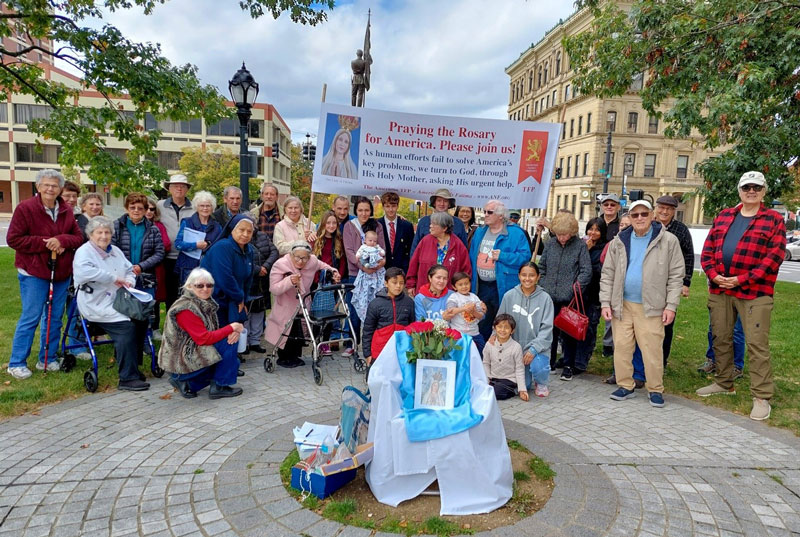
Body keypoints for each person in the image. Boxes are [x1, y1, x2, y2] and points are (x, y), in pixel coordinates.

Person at [696, 171, 786, 421]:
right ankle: (724, 383)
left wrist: (741, 279)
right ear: (739, 190)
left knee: (757, 344)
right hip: (720, 289)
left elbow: (774, 258)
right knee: (721, 338)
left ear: (764, 191)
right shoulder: (725, 216)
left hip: (754, 292)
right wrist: (714, 274)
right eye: (747, 187)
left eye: (757, 187)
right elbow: (708, 250)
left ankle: (761, 396)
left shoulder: (773, 219)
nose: (751, 191)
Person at [600, 200, 684, 408]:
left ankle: (655, 389)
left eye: (644, 214)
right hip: (623, 304)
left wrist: (671, 305)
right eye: (635, 215)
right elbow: (608, 273)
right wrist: (605, 302)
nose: (639, 218)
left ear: (652, 215)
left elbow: (676, 276)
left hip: (651, 306)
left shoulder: (668, 241)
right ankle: (625, 385)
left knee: (652, 349)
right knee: (622, 347)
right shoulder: (620, 240)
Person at [7, 169, 84, 379]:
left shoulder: (66, 209)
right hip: (33, 271)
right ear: (38, 187)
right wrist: (46, 243)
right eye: (46, 185)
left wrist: (61, 240)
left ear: (60, 188)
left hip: (60, 272)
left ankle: (47, 358)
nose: (50, 189)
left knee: (54, 317)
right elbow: (13, 239)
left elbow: (77, 237)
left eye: (55, 185)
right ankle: (16, 362)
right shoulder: (26, 208)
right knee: (30, 317)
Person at [73, 216, 150, 391]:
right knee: (126, 326)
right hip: (95, 303)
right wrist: (114, 278)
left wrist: (129, 280)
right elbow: (85, 273)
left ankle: (133, 367)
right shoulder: (84, 252)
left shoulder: (115, 250)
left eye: (107, 232)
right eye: (99, 232)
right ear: (91, 234)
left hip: (118, 299)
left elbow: (129, 269)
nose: (103, 236)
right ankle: (127, 378)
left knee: (141, 318)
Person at [158, 268, 244, 399]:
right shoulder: (185, 308)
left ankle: (188, 384)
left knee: (233, 362)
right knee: (228, 348)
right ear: (190, 286)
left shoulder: (204, 303)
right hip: (180, 361)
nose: (205, 289)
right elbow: (203, 339)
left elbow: (213, 333)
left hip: (191, 353)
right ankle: (219, 386)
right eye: (200, 285)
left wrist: (234, 331)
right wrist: (232, 328)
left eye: (209, 285)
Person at [266, 241, 340, 368]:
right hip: (286, 304)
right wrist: (289, 281)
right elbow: (274, 289)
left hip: (303, 302)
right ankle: (283, 358)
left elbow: (324, 266)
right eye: (297, 257)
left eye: (304, 258)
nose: (301, 261)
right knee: (287, 331)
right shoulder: (280, 264)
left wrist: (334, 272)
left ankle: (295, 357)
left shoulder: (312, 261)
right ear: (291, 255)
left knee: (299, 332)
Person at [538, 211, 592, 380]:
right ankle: (550, 361)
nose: (562, 238)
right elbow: (542, 267)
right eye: (559, 234)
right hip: (549, 295)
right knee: (549, 331)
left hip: (570, 297)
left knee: (569, 332)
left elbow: (586, 271)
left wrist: (575, 288)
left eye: (565, 235)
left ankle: (568, 364)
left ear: (572, 232)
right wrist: (543, 284)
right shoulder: (550, 243)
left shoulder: (580, 246)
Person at [470, 200, 533, 342]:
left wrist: (503, 256)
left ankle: (501, 355)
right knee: (481, 321)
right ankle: (482, 354)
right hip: (481, 286)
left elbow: (525, 257)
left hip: (503, 286)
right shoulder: (480, 232)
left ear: (500, 215)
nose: (485, 215)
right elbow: (472, 256)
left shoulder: (516, 233)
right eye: (485, 211)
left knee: (503, 321)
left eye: (489, 212)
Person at [496, 262, 553, 397]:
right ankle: (527, 379)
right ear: (518, 276)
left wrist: (534, 349)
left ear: (538, 277)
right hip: (515, 349)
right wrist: (495, 337)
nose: (527, 279)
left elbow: (547, 328)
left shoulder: (545, 298)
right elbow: (500, 320)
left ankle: (541, 382)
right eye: (524, 275)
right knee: (524, 385)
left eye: (532, 275)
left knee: (539, 367)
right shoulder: (509, 296)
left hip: (537, 349)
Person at [343, 197, 387, 353]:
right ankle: (352, 344)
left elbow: (382, 247)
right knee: (354, 308)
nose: (363, 213)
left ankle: (375, 344)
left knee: (375, 308)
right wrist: (362, 266)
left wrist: (380, 263)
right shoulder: (349, 226)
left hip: (376, 274)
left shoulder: (377, 226)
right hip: (356, 274)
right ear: (355, 211)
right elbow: (348, 250)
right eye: (360, 210)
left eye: (367, 210)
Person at [200, 214, 256, 327]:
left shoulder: (249, 250)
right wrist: (239, 298)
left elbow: (248, 278)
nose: (245, 234)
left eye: (249, 231)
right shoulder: (222, 247)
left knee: (233, 336)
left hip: (234, 299)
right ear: (232, 230)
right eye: (242, 230)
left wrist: (243, 300)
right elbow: (224, 278)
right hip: (215, 300)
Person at [113, 193, 165, 297]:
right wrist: (127, 267)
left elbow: (159, 253)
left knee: (145, 310)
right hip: (122, 276)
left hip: (146, 277)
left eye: (140, 208)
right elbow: (111, 249)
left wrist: (141, 266)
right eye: (132, 207)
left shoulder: (153, 229)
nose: (136, 210)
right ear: (126, 208)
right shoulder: (116, 226)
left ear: (145, 210)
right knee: (122, 310)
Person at [406, 211, 470, 295]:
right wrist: (411, 284)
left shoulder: (458, 245)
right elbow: (414, 264)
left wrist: (462, 289)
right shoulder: (425, 241)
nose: (430, 226)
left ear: (444, 228)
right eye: (431, 223)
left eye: (434, 224)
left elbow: (466, 271)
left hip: (449, 294)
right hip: (425, 292)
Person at [312, 211, 349, 356]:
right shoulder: (316, 239)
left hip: (332, 281)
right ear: (323, 224)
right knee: (317, 312)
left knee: (329, 313)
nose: (331, 226)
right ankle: (316, 341)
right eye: (328, 223)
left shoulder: (339, 240)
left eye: (334, 223)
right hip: (318, 281)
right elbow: (312, 261)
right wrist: (316, 280)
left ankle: (325, 342)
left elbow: (342, 260)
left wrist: (337, 275)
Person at [362, 267, 416, 364]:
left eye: (401, 283)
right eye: (394, 283)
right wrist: (367, 354)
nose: (398, 286)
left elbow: (412, 327)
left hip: (401, 349)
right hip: (380, 350)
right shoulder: (375, 304)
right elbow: (368, 330)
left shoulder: (409, 302)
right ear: (386, 283)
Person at [575, 217, 607, 373]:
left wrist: (587, 253)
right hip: (579, 294)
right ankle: (571, 357)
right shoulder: (581, 245)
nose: (593, 233)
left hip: (594, 293)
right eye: (590, 229)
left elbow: (598, 271)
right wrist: (584, 250)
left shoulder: (605, 248)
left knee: (589, 328)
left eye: (597, 230)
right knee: (574, 325)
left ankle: (581, 361)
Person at [158, 175, 195, 309]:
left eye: (183, 186)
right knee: (170, 295)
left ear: (187, 189)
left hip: (188, 256)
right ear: (169, 189)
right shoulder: (160, 206)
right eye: (175, 186)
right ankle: (171, 325)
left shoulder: (195, 207)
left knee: (188, 293)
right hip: (167, 257)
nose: (179, 189)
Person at [175, 190, 223, 286]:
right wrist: (195, 245)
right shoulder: (187, 222)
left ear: (212, 208)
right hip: (188, 268)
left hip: (208, 267)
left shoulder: (217, 227)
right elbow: (178, 244)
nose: (205, 208)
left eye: (208, 206)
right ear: (196, 207)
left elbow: (220, 248)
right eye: (202, 205)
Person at [244, 224, 278, 354]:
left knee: (259, 311)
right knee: (246, 313)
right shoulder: (239, 238)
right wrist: (257, 269)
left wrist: (265, 267)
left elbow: (274, 252)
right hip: (248, 279)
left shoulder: (262, 236)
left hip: (262, 281)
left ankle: (255, 341)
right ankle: (245, 342)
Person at [483, 314, 528, 401]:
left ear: (512, 331)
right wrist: (486, 379)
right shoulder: (489, 345)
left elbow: (519, 368)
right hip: (493, 379)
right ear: (494, 328)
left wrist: (522, 389)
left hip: (508, 380)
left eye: (506, 327)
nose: (503, 330)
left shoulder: (516, 347)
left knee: (494, 393)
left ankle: (513, 391)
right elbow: (486, 363)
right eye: (499, 327)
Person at [410, 188, 468, 253]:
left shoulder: (458, 223)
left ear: (449, 204)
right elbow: (415, 248)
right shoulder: (424, 222)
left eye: (445, 201)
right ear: (434, 203)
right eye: (439, 200)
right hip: (426, 262)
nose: (442, 204)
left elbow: (464, 250)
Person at [145, 197, 171, 339]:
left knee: (155, 298)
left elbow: (166, 244)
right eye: (146, 208)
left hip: (156, 266)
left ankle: (155, 328)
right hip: (139, 266)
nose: (149, 211)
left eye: (152, 209)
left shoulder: (159, 226)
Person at [445, 271, 486, 354]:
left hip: (474, 333)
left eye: (466, 283)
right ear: (454, 287)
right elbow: (450, 310)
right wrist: (464, 308)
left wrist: (474, 311)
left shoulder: (474, 297)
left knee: (480, 353)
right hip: (458, 334)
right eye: (460, 284)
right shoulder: (454, 297)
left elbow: (481, 316)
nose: (464, 286)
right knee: (459, 354)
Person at [353, 230, 386, 321]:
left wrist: (381, 258)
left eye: (374, 241)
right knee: (365, 298)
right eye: (370, 241)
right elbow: (358, 255)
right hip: (365, 273)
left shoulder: (377, 247)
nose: (372, 243)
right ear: (365, 241)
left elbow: (382, 253)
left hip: (377, 272)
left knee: (378, 294)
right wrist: (359, 257)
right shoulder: (363, 247)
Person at [378, 191, 414, 273]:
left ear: (397, 206)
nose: (390, 209)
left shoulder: (407, 226)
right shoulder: (377, 225)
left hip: (401, 269)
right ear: (383, 207)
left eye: (393, 206)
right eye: (387, 206)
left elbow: (410, 249)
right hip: (381, 269)